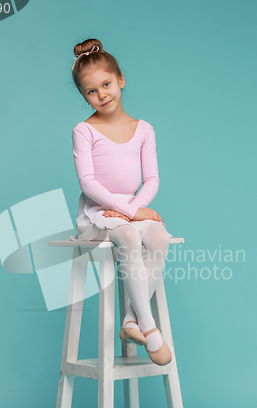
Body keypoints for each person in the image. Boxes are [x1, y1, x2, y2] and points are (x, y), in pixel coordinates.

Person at [70, 38, 172, 366]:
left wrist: (135, 208)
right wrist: (130, 212)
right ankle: (150, 328)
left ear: (120, 80)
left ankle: (130, 321)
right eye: (91, 91)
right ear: (83, 95)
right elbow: (88, 182)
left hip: (129, 207)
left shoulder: (143, 129)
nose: (101, 95)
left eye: (107, 84)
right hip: (100, 211)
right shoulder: (84, 131)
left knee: (158, 236)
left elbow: (152, 179)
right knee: (129, 236)